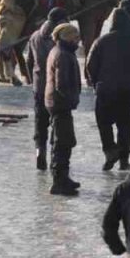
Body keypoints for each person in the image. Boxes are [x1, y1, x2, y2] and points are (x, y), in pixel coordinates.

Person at [86, 9, 130, 171]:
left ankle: (110, 150)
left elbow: (90, 65)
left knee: (104, 122)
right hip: (128, 91)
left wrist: (96, 82)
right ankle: (123, 159)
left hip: (104, 89)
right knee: (126, 125)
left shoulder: (100, 42)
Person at [25, 7, 68, 172]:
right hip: (55, 88)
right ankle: (54, 156)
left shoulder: (35, 36)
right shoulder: (58, 40)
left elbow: (29, 61)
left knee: (40, 122)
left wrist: (32, 80)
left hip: (39, 86)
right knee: (57, 122)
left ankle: (39, 151)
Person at [46, 22, 84, 196]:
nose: (78, 41)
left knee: (64, 140)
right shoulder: (63, 54)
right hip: (60, 104)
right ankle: (59, 180)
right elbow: (62, 83)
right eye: (75, 37)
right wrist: (71, 99)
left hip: (57, 103)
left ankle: (63, 177)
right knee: (62, 142)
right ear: (67, 37)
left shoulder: (61, 51)